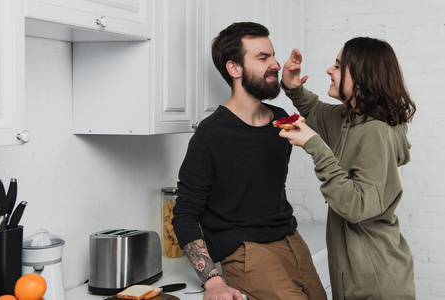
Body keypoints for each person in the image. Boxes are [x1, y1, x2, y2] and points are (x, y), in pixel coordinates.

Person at [172, 22, 327, 300]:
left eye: (273, 55)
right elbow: (184, 215)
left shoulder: (280, 120)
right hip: (248, 251)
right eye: (263, 58)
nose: (276, 64)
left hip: (293, 241)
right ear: (234, 68)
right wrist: (213, 280)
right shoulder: (211, 134)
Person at [279, 37, 416, 299]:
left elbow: (357, 207)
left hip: (375, 282)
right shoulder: (352, 119)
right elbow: (316, 111)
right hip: (359, 275)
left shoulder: (375, 132)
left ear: (363, 78)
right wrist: (293, 87)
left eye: (339, 66)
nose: (330, 70)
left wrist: (315, 146)